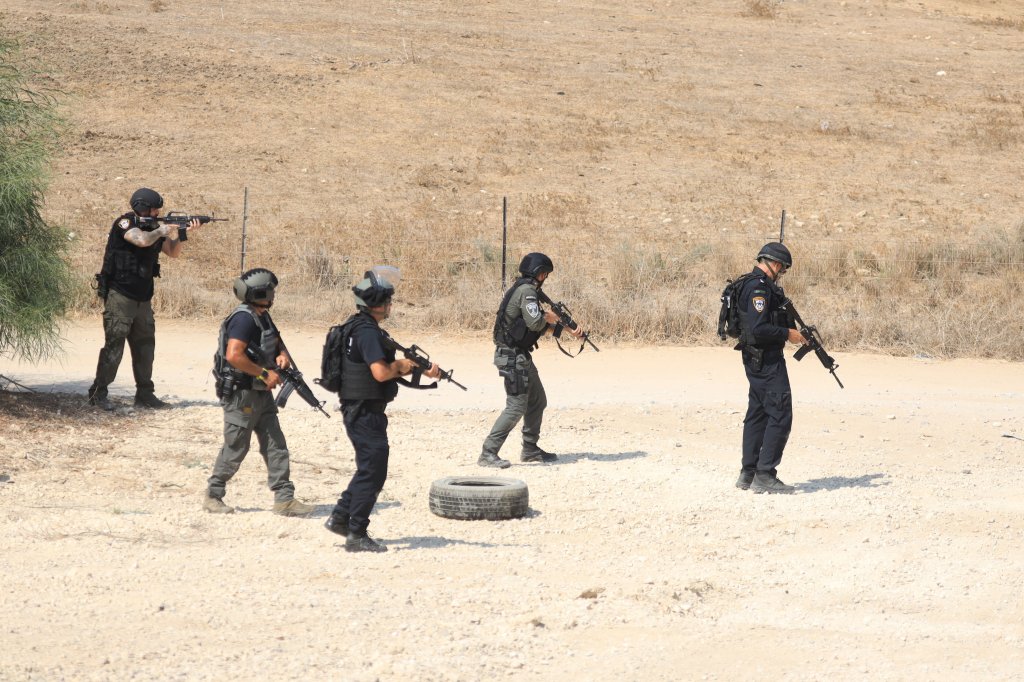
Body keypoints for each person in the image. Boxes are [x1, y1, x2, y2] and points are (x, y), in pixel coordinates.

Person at [323, 267, 440, 552]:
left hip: (360, 408)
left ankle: (341, 517)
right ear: (378, 303)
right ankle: (357, 533)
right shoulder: (367, 333)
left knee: (368, 467)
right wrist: (403, 365)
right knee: (373, 471)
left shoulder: (358, 326)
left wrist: (415, 367)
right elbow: (380, 372)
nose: (390, 305)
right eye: (388, 301)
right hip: (363, 410)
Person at [202, 268, 314, 517]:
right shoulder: (243, 319)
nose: (274, 294)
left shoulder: (261, 315)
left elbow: (274, 339)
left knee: (276, 444)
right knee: (236, 447)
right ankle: (213, 494)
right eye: (270, 290)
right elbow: (234, 355)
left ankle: (284, 499)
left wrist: (282, 355)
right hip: (243, 394)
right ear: (260, 293)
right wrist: (263, 374)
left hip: (261, 393)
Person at [87, 188, 202, 411]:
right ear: (141, 206)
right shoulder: (125, 224)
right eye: (154, 208)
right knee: (114, 347)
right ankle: (98, 394)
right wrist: (161, 230)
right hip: (120, 295)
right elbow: (140, 240)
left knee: (145, 348)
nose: (158, 212)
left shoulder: (155, 227)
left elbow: (173, 252)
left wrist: (180, 233)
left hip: (143, 297)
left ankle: (145, 395)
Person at [477, 252, 584, 469]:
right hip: (511, 357)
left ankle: (530, 449)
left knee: (537, 401)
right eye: (545, 273)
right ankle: (488, 452)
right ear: (540, 273)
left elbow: (534, 325)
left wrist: (566, 329)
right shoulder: (526, 292)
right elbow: (536, 324)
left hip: (520, 355)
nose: (546, 277)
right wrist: (551, 318)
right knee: (516, 406)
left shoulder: (528, 290)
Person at [734, 242, 808, 494]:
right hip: (766, 360)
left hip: (755, 360)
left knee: (758, 412)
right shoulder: (758, 289)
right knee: (780, 413)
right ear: (774, 264)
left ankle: (749, 472)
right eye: (783, 269)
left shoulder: (750, 284)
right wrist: (789, 333)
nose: (782, 274)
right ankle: (765, 474)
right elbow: (759, 328)